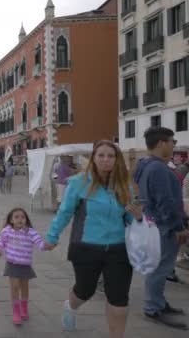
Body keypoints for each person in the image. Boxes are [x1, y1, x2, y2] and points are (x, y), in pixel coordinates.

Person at [44, 140, 142, 337]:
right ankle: (70, 306)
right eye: (101, 155)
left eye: (111, 156)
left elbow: (130, 219)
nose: (106, 160)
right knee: (85, 290)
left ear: (117, 159)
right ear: (94, 159)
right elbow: (64, 213)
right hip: (86, 247)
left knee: (119, 299)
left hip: (119, 249)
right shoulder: (79, 183)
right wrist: (51, 236)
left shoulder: (125, 187)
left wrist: (138, 216)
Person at [133, 126, 189, 330]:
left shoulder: (145, 164)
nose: (174, 145)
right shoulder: (158, 168)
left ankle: (158, 302)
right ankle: (153, 308)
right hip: (164, 227)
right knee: (160, 269)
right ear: (161, 144)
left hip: (155, 225)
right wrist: (178, 226)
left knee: (159, 267)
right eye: (172, 142)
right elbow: (166, 201)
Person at [0, 207, 46, 325]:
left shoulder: (30, 232)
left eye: (23, 217)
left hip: (25, 264)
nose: (20, 219)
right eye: (17, 217)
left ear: (26, 220)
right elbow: (1, 241)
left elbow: (40, 243)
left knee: (24, 286)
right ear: (11, 220)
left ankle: (24, 308)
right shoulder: (6, 231)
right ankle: (16, 311)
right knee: (15, 286)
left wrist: (48, 245)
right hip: (12, 263)